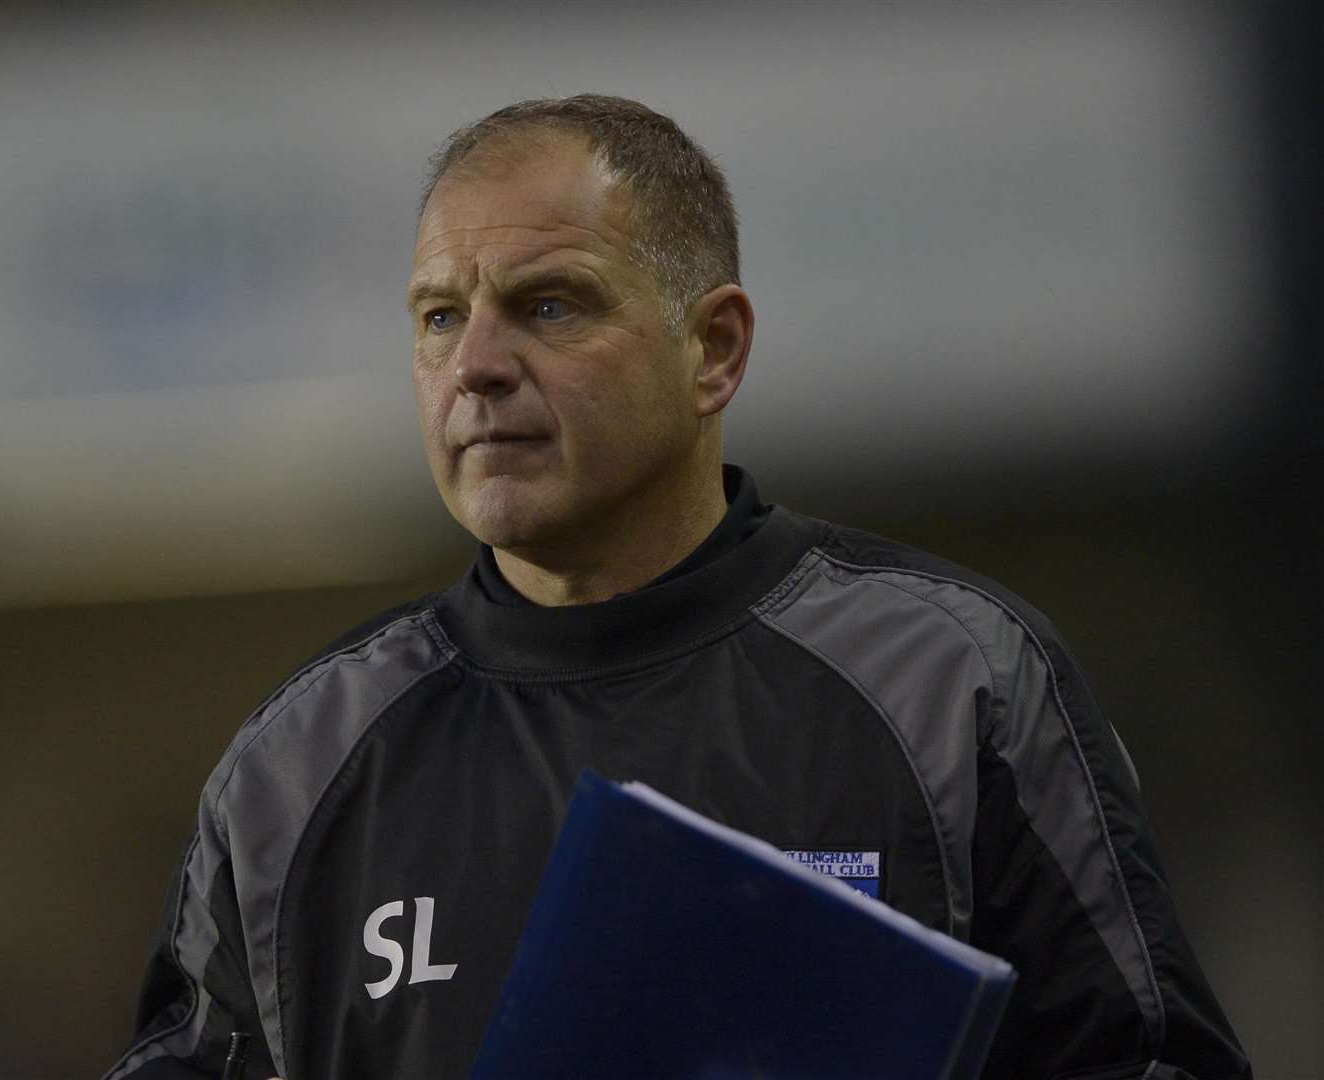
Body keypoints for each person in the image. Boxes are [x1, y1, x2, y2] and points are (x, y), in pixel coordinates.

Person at [103, 95, 1250, 1080]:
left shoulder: (958, 684)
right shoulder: (300, 766)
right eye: (440, 317)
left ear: (714, 351)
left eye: (550, 304)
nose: (478, 366)